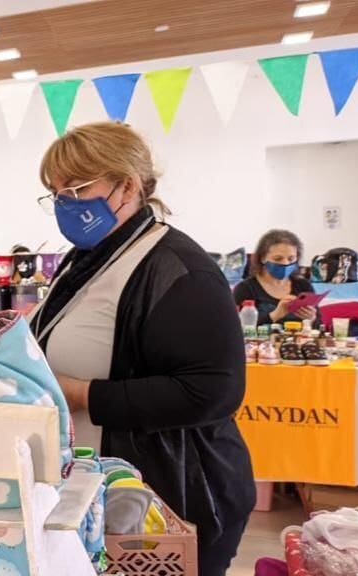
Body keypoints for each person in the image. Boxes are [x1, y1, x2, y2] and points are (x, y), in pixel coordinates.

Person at [30, 122, 255, 576]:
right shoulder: (88, 259)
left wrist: (77, 393)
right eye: (54, 193)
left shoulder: (179, 269)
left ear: (127, 185)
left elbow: (212, 391)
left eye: (74, 189)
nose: (63, 205)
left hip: (173, 497)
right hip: (104, 491)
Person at [233, 229, 320, 326]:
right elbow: (236, 328)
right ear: (263, 258)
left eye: (291, 258)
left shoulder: (304, 285)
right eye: (278, 258)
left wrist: (312, 319)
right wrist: (275, 315)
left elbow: (320, 326)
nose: (285, 263)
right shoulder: (245, 288)